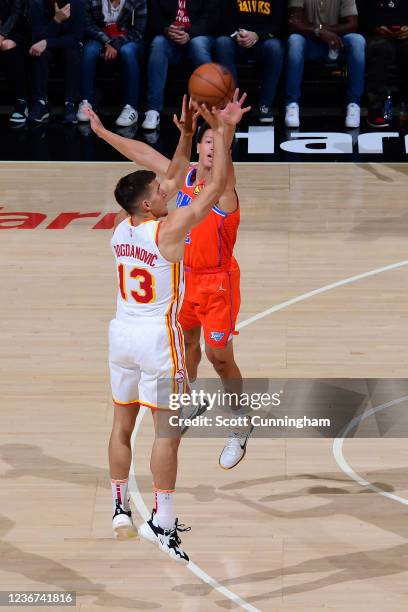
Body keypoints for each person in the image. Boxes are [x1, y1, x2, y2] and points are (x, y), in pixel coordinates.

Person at [86, 91, 252, 471]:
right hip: (184, 281)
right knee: (187, 345)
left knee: (220, 358)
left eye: (217, 144)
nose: (210, 147)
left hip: (218, 285)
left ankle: (240, 423)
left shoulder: (223, 191)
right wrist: (103, 133)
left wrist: (224, 128)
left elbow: (223, 176)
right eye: (206, 142)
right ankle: (189, 400)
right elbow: (143, 155)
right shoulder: (183, 180)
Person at [105, 98, 229, 562]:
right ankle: (162, 520)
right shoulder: (169, 232)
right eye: (160, 190)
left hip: (121, 336)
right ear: (147, 202)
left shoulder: (120, 229)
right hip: (159, 341)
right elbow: (213, 186)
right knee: (167, 433)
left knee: (121, 425)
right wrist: (223, 129)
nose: (168, 190)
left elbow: (174, 176)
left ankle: (119, 508)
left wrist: (184, 135)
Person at [285, 0, 365, 128]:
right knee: (294, 41)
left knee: (357, 40)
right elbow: (294, 24)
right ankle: (292, 104)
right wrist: (319, 32)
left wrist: (324, 31)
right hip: (310, 42)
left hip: (336, 41)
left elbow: (352, 24)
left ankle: (354, 104)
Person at [141, 0, 217, 130]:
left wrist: (190, 33)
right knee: (158, 43)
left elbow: (211, 18)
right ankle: (153, 110)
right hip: (169, 38)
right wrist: (166, 29)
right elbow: (153, 18)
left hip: (198, 35)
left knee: (198, 45)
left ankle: (211, 108)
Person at [213, 0, 286, 124]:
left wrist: (257, 35)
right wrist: (237, 34)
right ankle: (232, 103)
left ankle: (265, 105)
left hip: (263, 41)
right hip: (237, 39)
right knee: (222, 43)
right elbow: (222, 20)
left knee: (276, 47)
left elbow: (280, 25)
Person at [77, 0, 146, 127]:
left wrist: (116, 44)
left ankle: (130, 107)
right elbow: (88, 26)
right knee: (89, 51)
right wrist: (107, 41)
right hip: (101, 37)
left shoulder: (138, 2)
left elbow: (138, 31)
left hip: (128, 39)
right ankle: (86, 102)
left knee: (128, 52)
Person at [28, 0, 85, 124]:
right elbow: (37, 37)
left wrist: (48, 42)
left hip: (66, 44)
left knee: (73, 52)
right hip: (47, 45)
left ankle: (70, 103)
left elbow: (76, 37)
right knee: (38, 52)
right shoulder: (37, 3)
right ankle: (40, 103)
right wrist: (56, 20)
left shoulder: (77, 3)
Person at [363, 0, 408, 128]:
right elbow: (358, 19)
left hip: (405, 37)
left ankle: (404, 104)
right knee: (381, 49)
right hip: (376, 36)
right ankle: (376, 109)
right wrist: (375, 28)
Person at [0, 0, 30, 123]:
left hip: (20, 29)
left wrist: (1, 35)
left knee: (8, 47)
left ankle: (22, 101)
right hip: (4, 28)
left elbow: (16, 13)